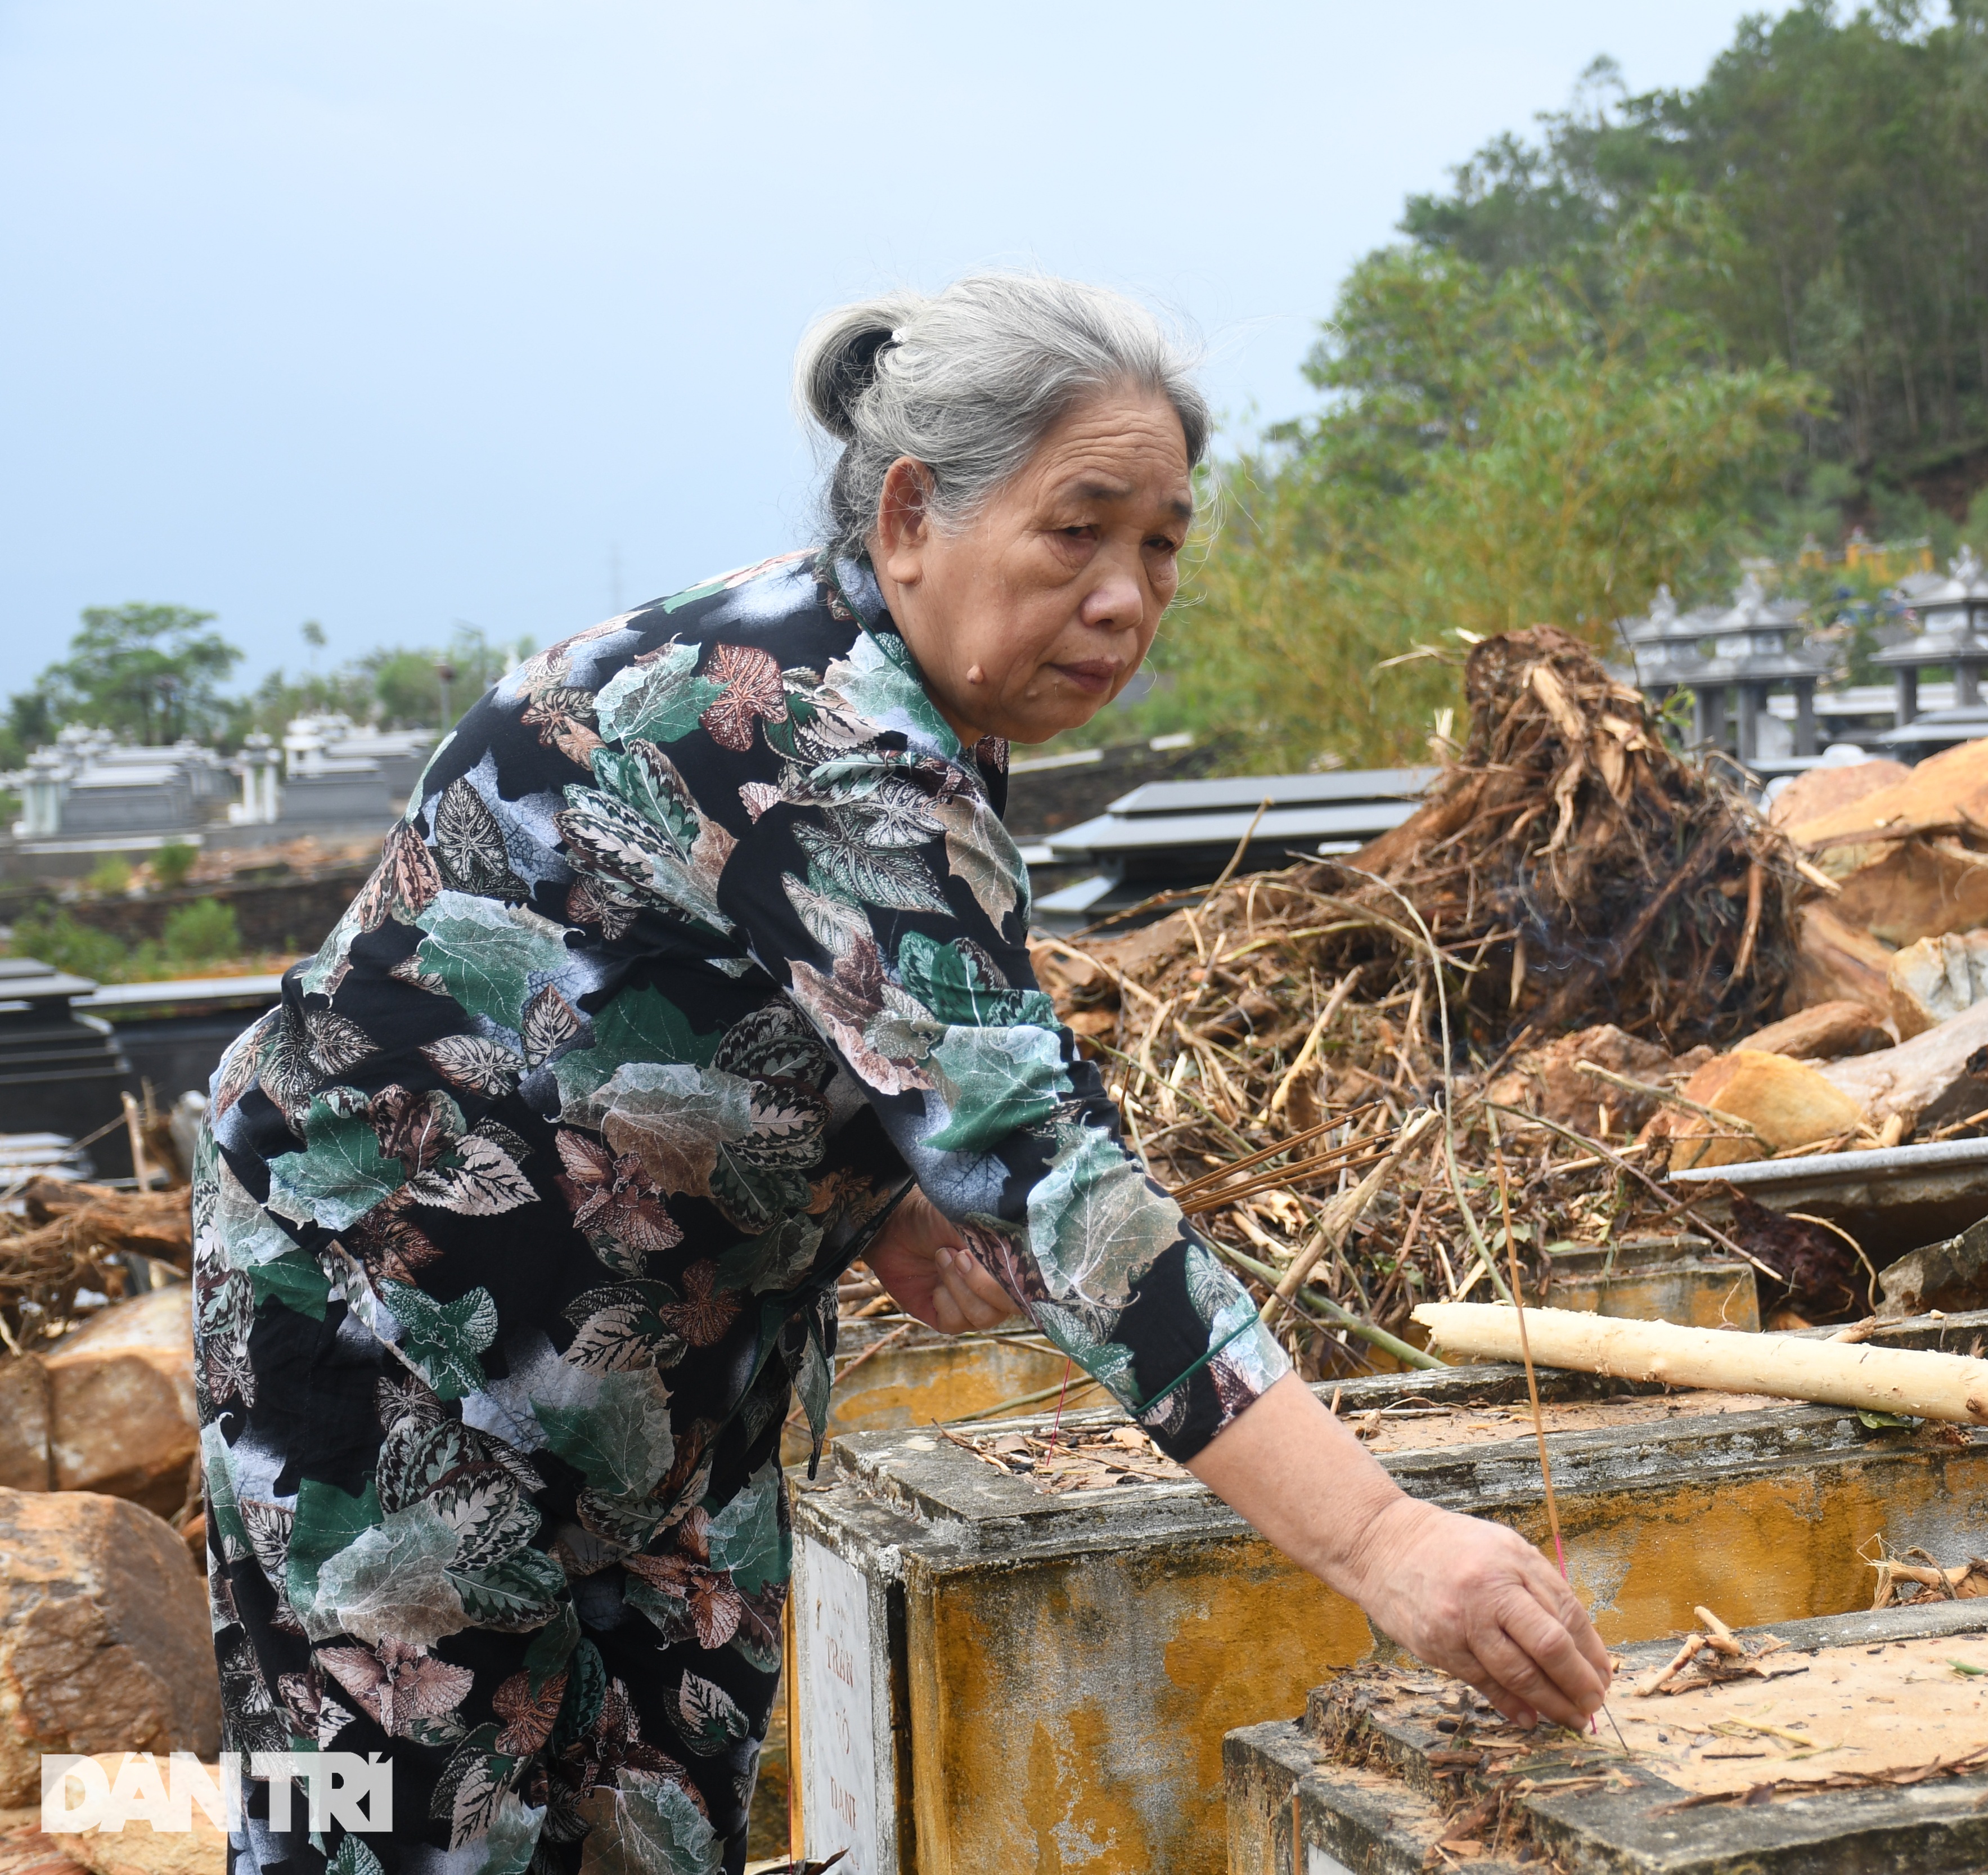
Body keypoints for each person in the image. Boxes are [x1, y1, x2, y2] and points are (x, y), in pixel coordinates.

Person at [192, 274, 1608, 1875]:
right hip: (382, 1343)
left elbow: (724, 976)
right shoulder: (807, 732)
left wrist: (863, 1195)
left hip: (662, 1393)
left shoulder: (915, 696)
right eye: (1079, 530)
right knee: (402, 1840)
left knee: (653, 1829)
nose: (1128, 596)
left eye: (1161, 543)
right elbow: (1050, 1175)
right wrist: (1382, 1537)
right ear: (916, 512)